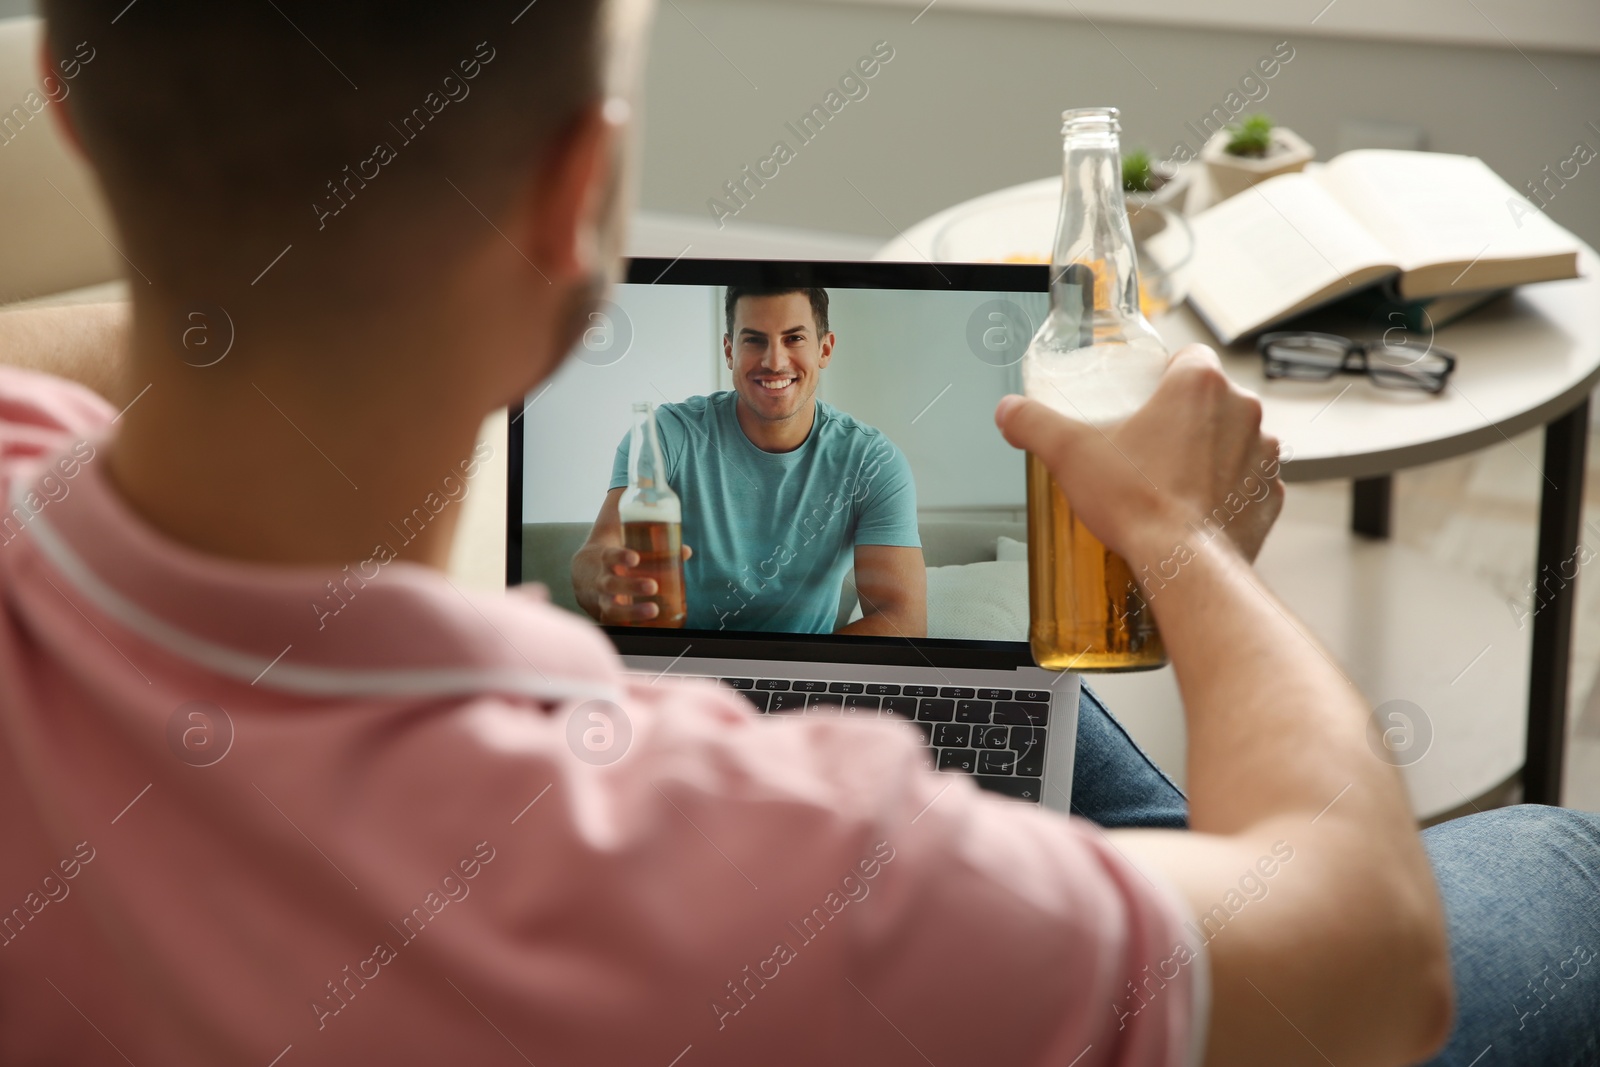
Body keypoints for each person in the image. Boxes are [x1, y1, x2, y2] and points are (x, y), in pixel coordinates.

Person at [0, 3, 1597, 1065]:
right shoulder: (776, 855)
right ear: (580, 201)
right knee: (1556, 859)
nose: (765, 364)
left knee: (1070, 741)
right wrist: (1182, 540)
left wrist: (246, 274)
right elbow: (1374, 963)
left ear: (68, 97)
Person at [571, 285, 928, 635]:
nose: (774, 362)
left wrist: (802, 674)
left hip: (803, 678)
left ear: (825, 348)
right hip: (681, 669)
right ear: (729, 351)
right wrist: (602, 582)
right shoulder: (665, 434)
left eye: (794, 339)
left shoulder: (871, 460)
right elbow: (597, 553)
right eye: (754, 340)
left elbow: (902, 618)